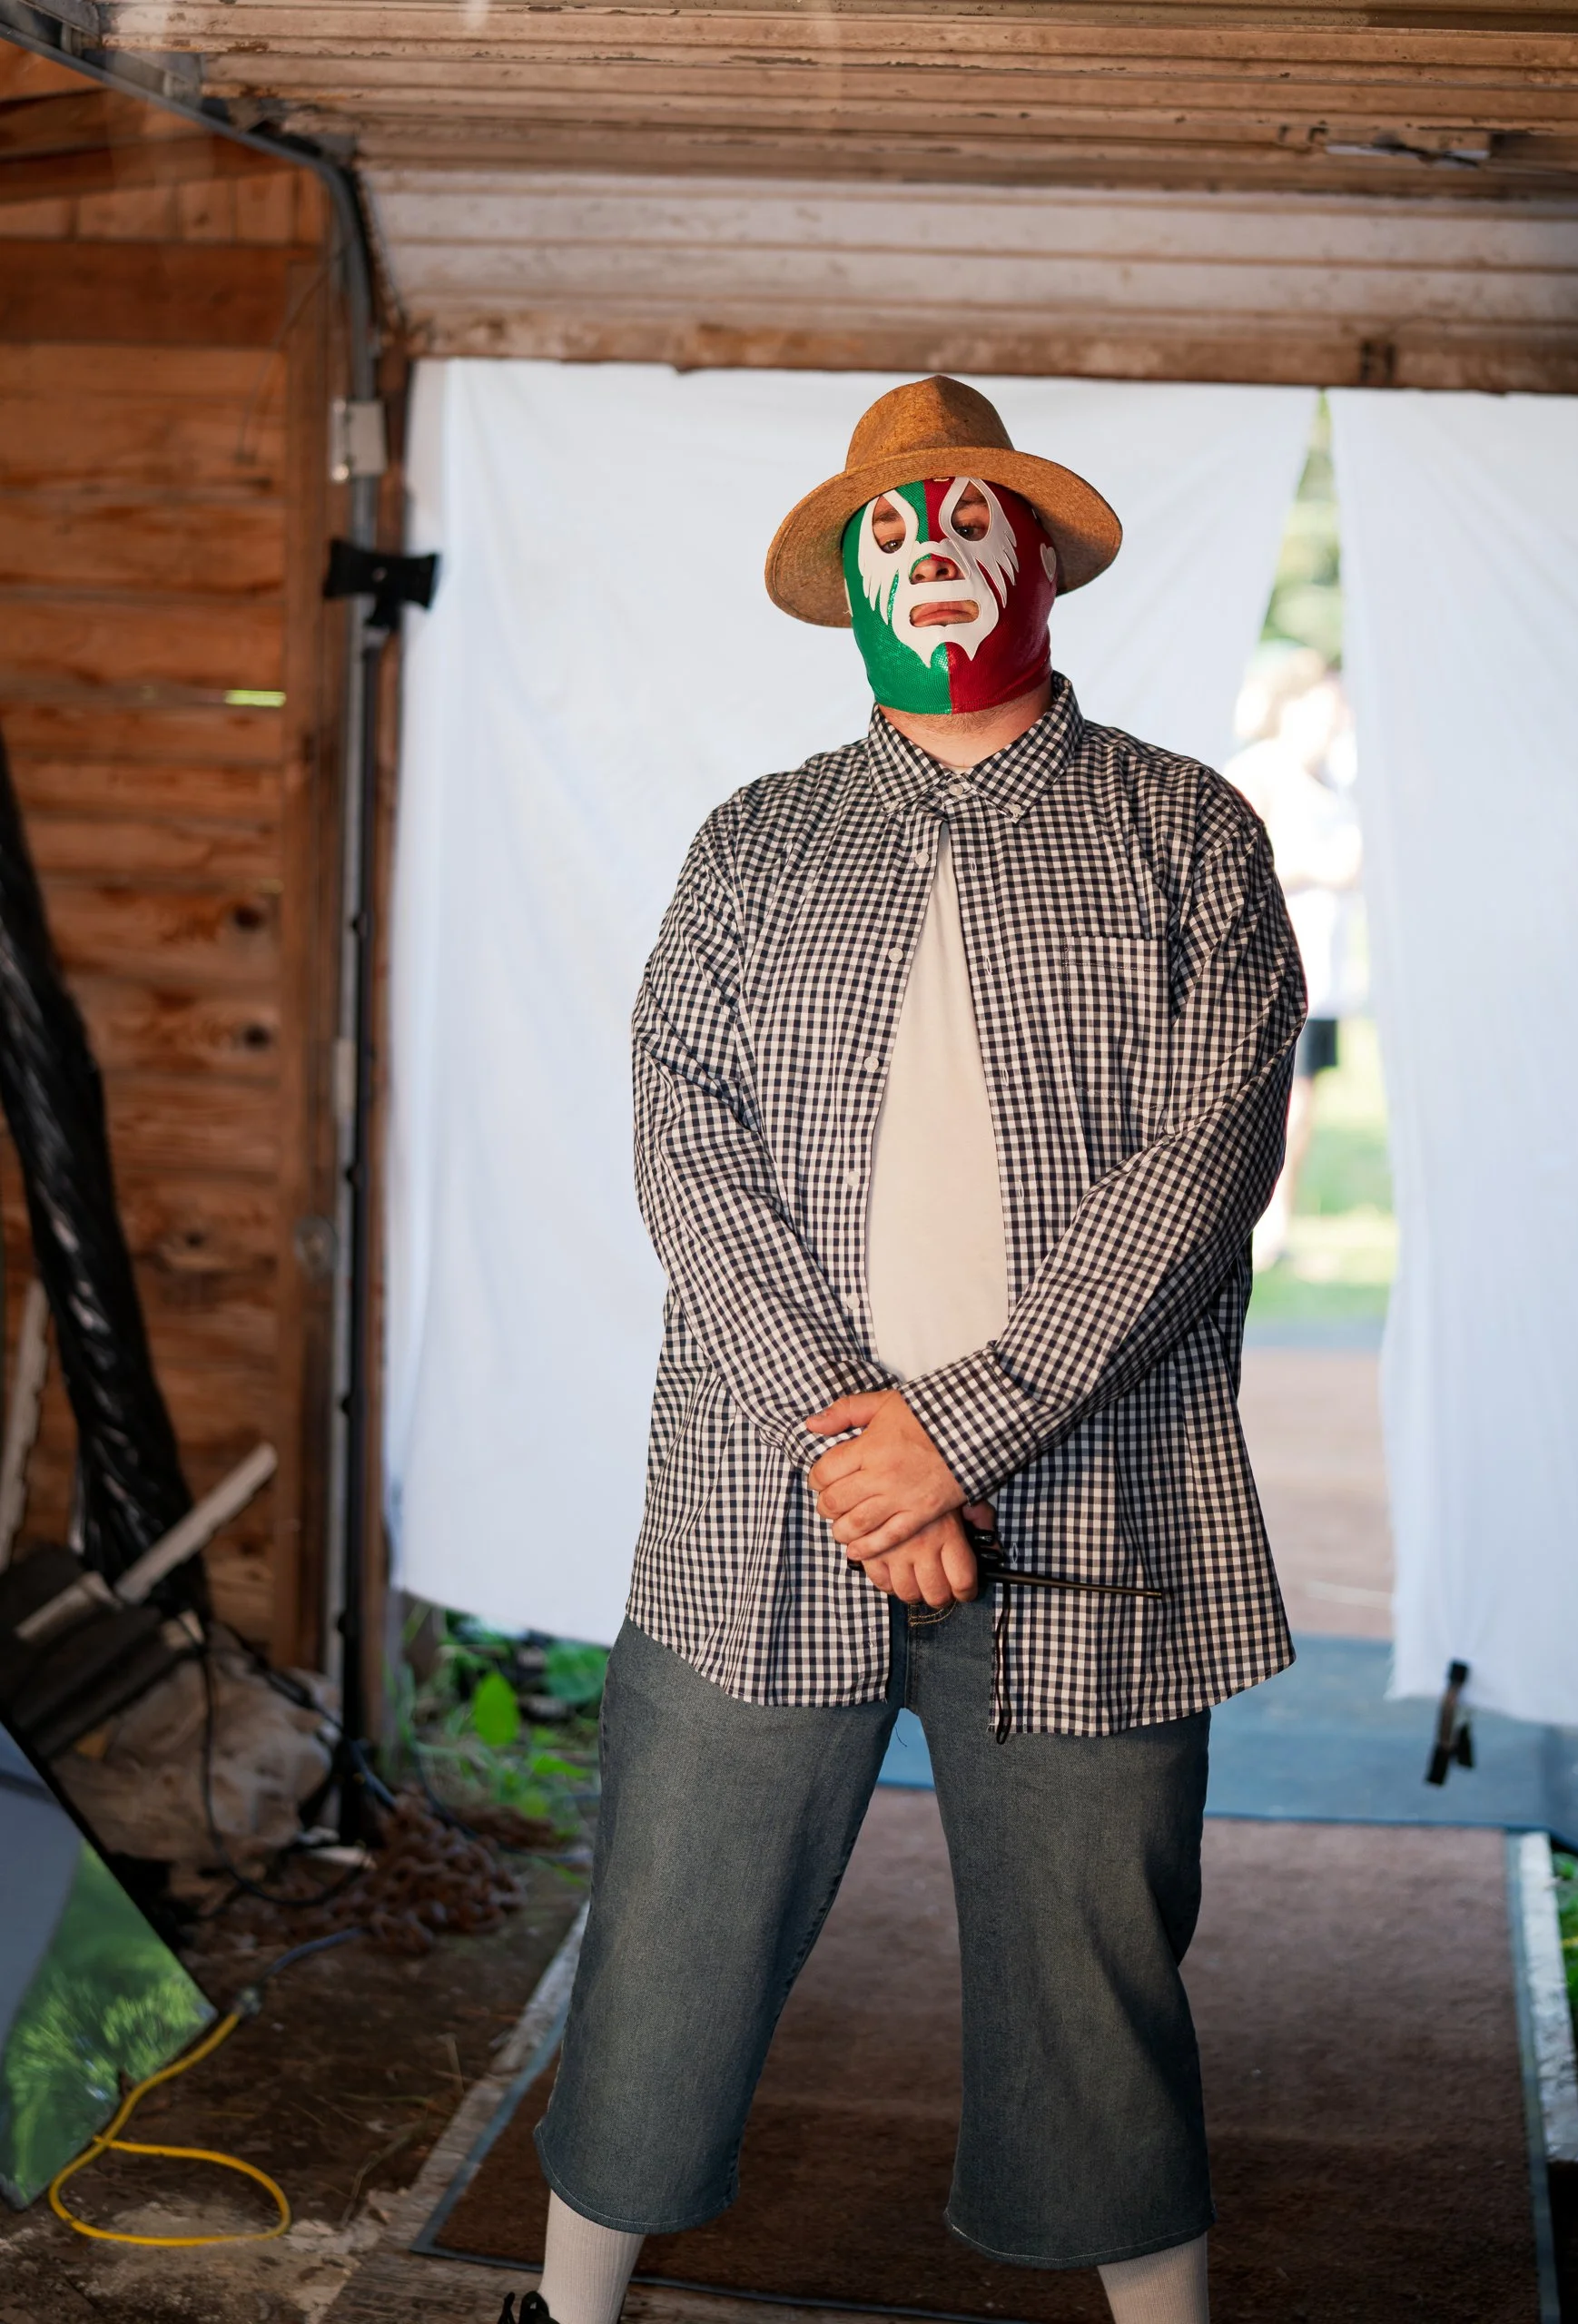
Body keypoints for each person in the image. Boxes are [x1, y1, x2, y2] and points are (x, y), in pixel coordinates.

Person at [499, 378, 1305, 2324]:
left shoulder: (1190, 833)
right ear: (846, 592)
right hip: (759, 1508)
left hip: (1099, 1506)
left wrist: (961, 1435)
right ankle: (562, 2310)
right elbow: (683, 1147)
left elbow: (1209, 1157)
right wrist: (859, 1452)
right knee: (671, 1934)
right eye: (890, 532)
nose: (931, 557)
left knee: (1093, 1967)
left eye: (967, 523)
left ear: (1040, 561)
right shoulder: (751, 845)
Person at [1225, 669, 1364, 1268]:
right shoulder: (1260, 771)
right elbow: (1230, 870)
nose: (1335, 720)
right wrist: (1315, 869)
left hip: (1323, 968)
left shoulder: (1335, 778)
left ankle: (1279, 1219)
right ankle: (1248, 1222)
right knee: (1268, 1104)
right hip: (1270, 967)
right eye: (1325, 708)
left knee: (1304, 1105)